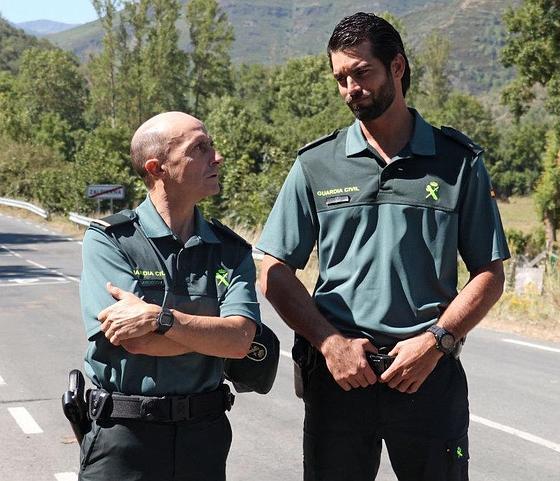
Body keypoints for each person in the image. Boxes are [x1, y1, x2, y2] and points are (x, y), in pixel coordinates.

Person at [257, 12, 509, 481]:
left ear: (397, 66)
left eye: (362, 72)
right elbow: (272, 269)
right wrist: (330, 344)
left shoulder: (458, 162)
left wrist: (436, 342)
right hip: (340, 378)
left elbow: (490, 275)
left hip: (427, 374)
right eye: (340, 78)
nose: (351, 87)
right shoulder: (317, 163)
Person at [79, 111, 261, 481]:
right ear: (157, 167)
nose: (218, 156)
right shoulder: (110, 240)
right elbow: (136, 341)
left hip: (204, 438)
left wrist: (159, 319)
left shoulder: (230, 250)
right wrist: (211, 335)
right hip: (124, 437)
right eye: (201, 147)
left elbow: (241, 340)